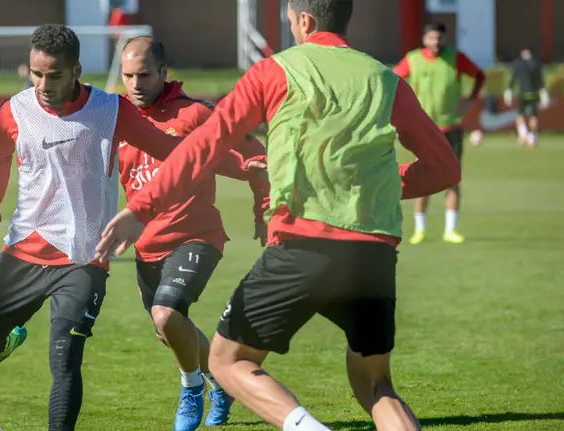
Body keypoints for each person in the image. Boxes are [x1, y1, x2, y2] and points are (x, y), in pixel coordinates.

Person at [95, 0, 463, 430]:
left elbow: (205, 146)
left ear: (303, 20)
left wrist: (140, 207)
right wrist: (370, 188)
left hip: (304, 244)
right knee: (376, 384)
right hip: (374, 253)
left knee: (228, 361)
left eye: (290, 18)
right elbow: (444, 169)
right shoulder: (385, 78)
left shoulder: (274, 71)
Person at [0, 24, 264, 431]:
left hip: (85, 259)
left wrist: (243, 168)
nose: (43, 85)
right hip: (24, 252)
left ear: (76, 70)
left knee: (66, 361)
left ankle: (188, 385)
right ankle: (7, 338)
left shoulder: (110, 111)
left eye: (54, 75)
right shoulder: (13, 111)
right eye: (36, 74)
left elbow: (177, 154)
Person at [118, 36, 269, 430]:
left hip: (196, 236)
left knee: (167, 315)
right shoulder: (119, 120)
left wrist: (263, 207)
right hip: (146, 246)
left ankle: (191, 387)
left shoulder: (196, 114)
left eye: (144, 75)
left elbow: (255, 157)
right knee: (170, 329)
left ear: (164, 73)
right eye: (128, 76)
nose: (135, 84)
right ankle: (223, 381)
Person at [392, 23, 485, 245]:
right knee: (422, 178)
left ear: (444, 39)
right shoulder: (413, 59)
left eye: (439, 38)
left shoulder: (456, 58)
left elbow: (480, 76)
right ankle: (420, 229)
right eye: (432, 38)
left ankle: (450, 230)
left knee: (453, 178)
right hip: (424, 129)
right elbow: (391, 81)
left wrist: (469, 101)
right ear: (424, 39)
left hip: (451, 127)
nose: (436, 43)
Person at [504, 47, 550, 148]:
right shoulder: (536, 65)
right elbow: (540, 81)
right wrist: (543, 93)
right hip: (533, 94)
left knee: (520, 115)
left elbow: (513, 79)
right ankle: (532, 135)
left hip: (522, 94)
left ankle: (523, 134)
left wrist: (509, 91)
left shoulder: (518, 65)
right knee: (534, 116)